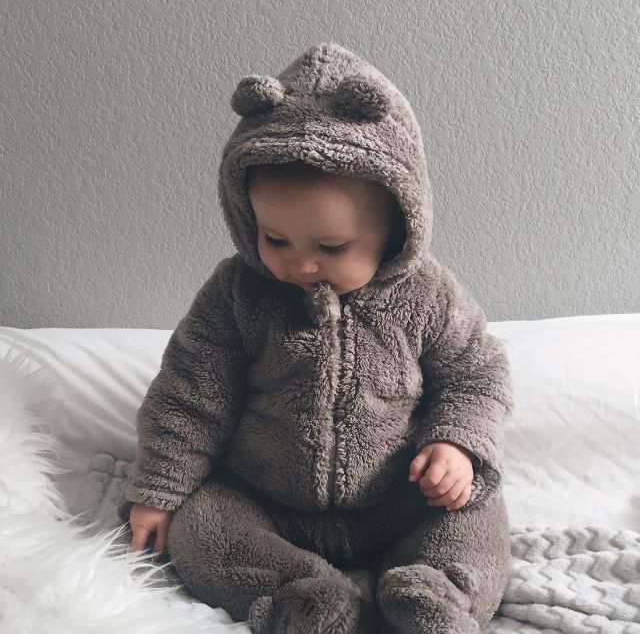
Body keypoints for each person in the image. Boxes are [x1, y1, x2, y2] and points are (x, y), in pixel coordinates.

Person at [118, 42, 514, 634]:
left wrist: (457, 445)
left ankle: (436, 594)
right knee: (200, 525)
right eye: (275, 240)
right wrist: (158, 488)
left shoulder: (429, 295)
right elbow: (189, 393)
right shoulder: (236, 293)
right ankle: (301, 600)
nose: (299, 265)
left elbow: (476, 375)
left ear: (398, 226)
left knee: (476, 507)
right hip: (264, 498)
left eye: (331, 248)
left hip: (398, 494)